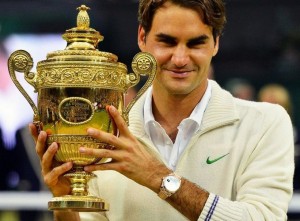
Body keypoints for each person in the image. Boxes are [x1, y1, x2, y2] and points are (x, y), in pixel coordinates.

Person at [29, 0, 294, 220]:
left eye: (195, 43)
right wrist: (65, 200)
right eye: (167, 42)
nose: (179, 59)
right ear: (142, 38)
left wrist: (157, 177)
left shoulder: (266, 123)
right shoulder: (105, 130)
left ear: (216, 43)